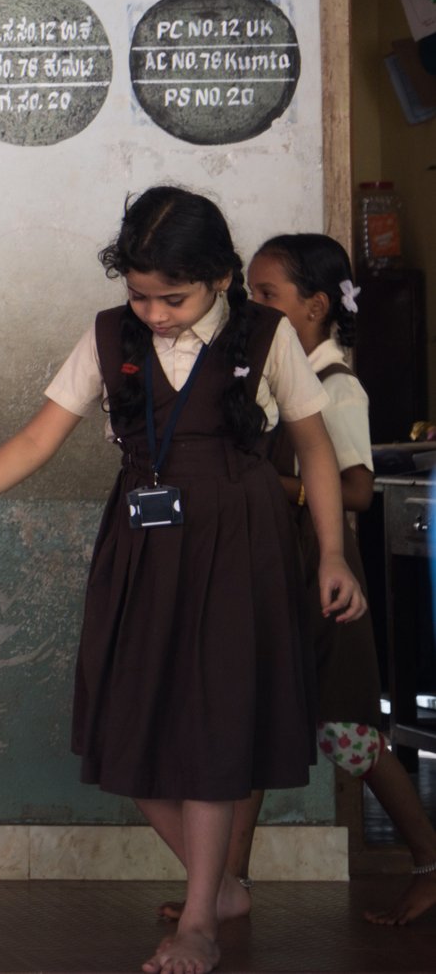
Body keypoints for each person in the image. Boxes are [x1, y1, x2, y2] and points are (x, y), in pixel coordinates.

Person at [0, 187, 365, 974]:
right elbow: (37, 435)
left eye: (174, 297)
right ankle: (218, 883)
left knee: (217, 724)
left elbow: (318, 448)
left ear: (222, 276)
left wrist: (330, 553)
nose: (155, 312)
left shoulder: (268, 335)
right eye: (140, 294)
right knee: (124, 723)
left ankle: (199, 923)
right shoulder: (107, 336)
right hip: (145, 545)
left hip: (240, 543)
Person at [244, 234, 436, 928]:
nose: (252, 305)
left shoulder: (336, 386)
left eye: (267, 294)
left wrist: (277, 481)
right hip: (281, 572)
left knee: (352, 734)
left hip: (323, 578)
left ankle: (428, 859)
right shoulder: (276, 379)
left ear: (315, 306)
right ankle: (228, 884)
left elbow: (355, 490)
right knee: (254, 724)